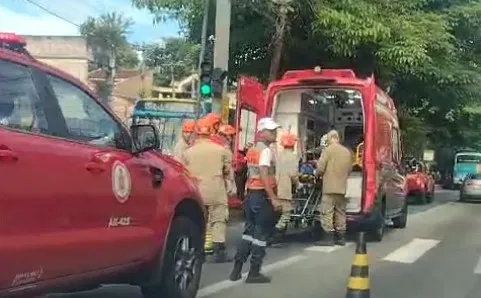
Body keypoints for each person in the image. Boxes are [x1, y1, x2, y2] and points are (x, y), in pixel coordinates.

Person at [229, 117, 281, 283]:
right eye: (271, 130)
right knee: (260, 234)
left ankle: (236, 269)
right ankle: (254, 272)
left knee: (248, 233)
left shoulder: (252, 150)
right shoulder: (265, 151)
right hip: (262, 196)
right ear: (262, 132)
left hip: (251, 195)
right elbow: (264, 174)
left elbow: (249, 173)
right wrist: (273, 198)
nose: (274, 133)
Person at [183, 118, 232, 262]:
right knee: (219, 219)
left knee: (201, 220)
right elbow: (227, 170)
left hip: (196, 189)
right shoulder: (221, 151)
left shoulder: (188, 152)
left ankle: (201, 248)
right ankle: (219, 249)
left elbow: (183, 171)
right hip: (216, 188)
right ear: (211, 132)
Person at [315, 129, 352, 246]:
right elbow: (350, 170)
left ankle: (328, 238)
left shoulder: (328, 150)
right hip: (342, 188)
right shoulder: (347, 152)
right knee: (340, 212)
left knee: (327, 212)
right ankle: (341, 237)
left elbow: (320, 168)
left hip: (329, 187)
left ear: (329, 138)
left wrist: (317, 174)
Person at [271, 133, 299, 241]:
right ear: (293, 145)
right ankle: (277, 233)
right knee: (286, 213)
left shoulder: (278, 155)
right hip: (285, 188)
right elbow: (293, 174)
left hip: (275, 187)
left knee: (276, 212)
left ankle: (274, 231)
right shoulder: (293, 157)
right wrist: (298, 184)